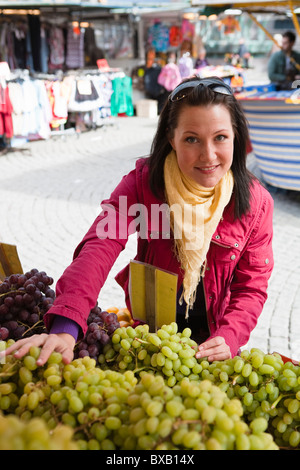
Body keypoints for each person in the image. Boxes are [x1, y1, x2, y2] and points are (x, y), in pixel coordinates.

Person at [3, 76, 274, 366]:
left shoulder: (255, 204)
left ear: (236, 137)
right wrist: (66, 326)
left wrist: (229, 337)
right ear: (172, 138)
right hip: (151, 334)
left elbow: (251, 286)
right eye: (191, 139)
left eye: (220, 137)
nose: (208, 155)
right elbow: (101, 243)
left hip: (214, 338)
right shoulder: (143, 183)